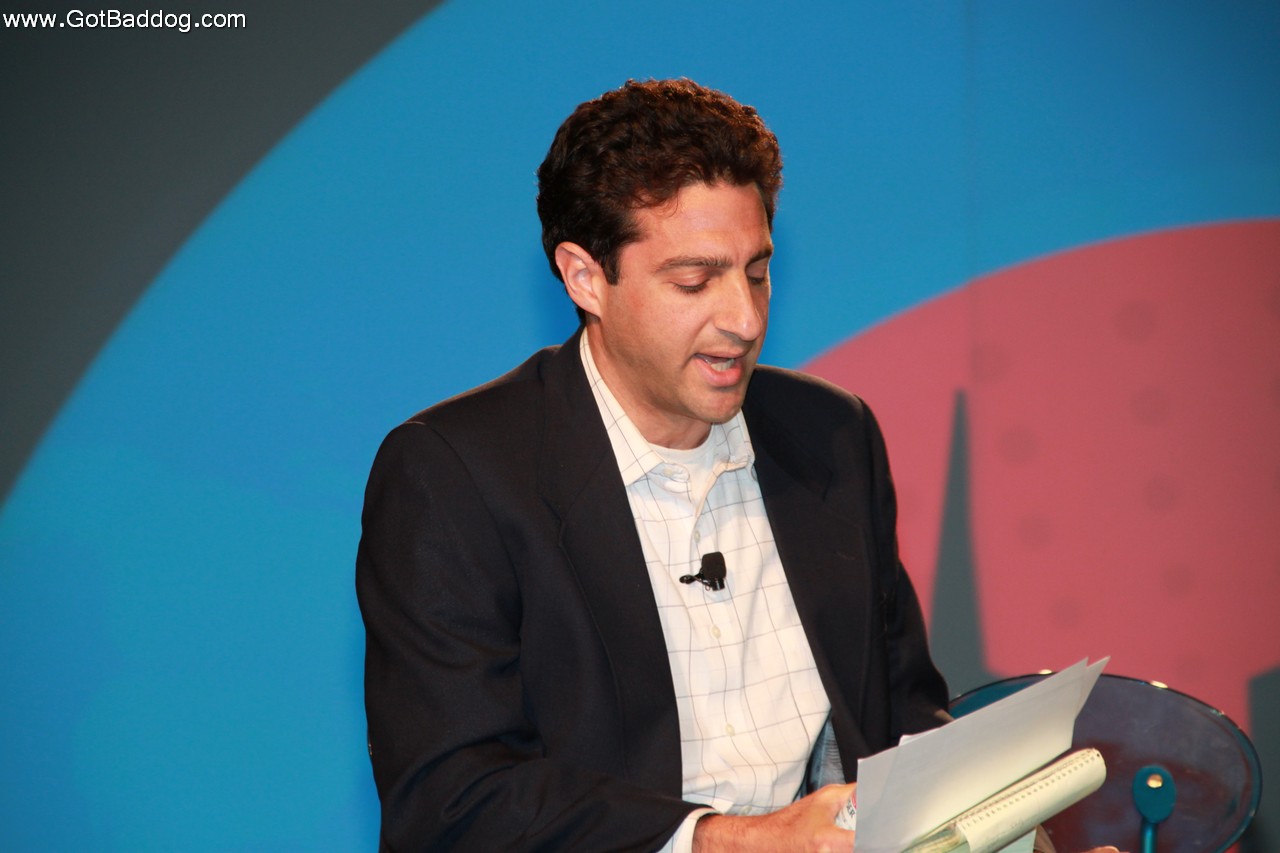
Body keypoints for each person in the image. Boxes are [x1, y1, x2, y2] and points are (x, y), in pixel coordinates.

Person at [356, 78, 1116, 853]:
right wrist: (731, 839)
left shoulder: (832, 434)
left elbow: (904, 724)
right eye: (695, 281)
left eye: (756, 271)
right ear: (586, 277)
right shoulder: (456, 474)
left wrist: (1005, 836)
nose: (745, 319)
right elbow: (452, 801)